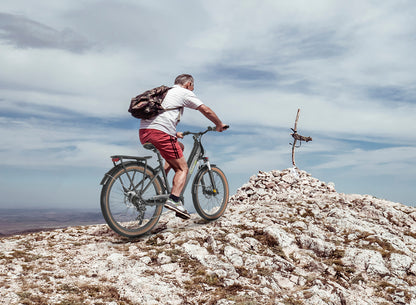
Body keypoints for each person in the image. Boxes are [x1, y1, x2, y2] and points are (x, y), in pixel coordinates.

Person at [139, 74, 227, 219]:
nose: (192, 89)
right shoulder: (184, 92)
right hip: (160, 133)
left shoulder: (165, 93)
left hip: (145, 133)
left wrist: (174, 133)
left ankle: (161, 179)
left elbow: (160, 118)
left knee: (179, 146)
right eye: (192, 87)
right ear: (188, 84)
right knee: (182, 168)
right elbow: (206, 110)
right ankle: (174, 200)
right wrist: (219, 124)